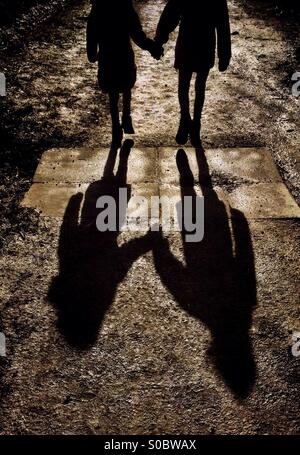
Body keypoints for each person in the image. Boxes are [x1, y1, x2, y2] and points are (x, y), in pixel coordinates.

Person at [155, 0, 232, 146]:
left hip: (188, 37)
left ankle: (186, 119)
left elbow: (171, 13)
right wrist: (224, 54)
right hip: (205, 39)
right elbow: (223, 23)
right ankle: (195, 122)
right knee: (199, 85)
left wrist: (160, 39)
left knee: (184, 83)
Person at [87, 0, 163, 147]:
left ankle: (116, 127)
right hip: (124, 55)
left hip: (107, 57)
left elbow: (91, 36)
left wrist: (92, 54)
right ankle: (126, 116)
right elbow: (137, 35)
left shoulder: (97, 10)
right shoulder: (125, 7)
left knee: (113, 93)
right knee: (126, 86)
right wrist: (152, 47)